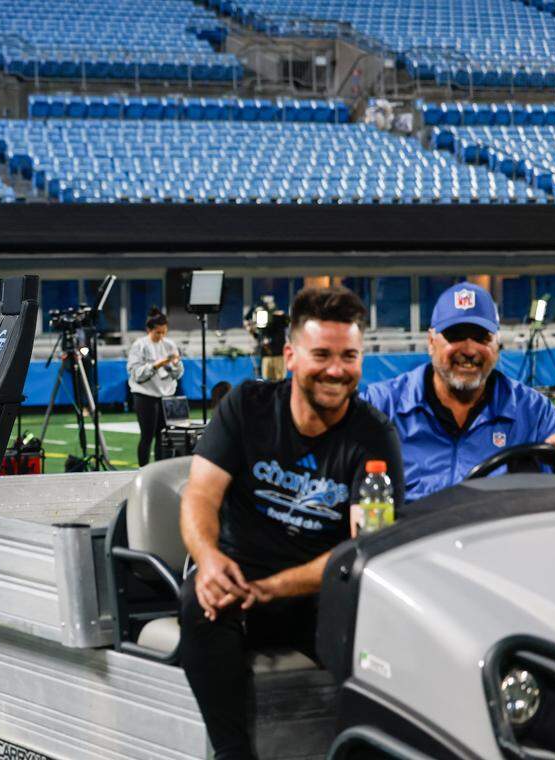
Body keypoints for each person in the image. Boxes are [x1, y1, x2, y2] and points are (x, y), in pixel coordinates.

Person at [177, 285, 404, 760]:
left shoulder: (373, 436)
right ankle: (231, 753)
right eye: (322, 354)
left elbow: (365, 548)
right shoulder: (247, 406)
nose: (337, 370)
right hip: (238, 581)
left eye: (349, 356)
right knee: (199, 603)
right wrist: (210, 559)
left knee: (385, 635)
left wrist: (274, 588)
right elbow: (200, 493)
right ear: (291, 356)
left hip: (320, 593)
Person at [363, 282, 555, 502]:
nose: (469, 350)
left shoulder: (534, 413)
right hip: (411, 534)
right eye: (455, 335)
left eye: (481, 337)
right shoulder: (381, 405)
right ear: (431, 342)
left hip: (496, 534)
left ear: (497, 345)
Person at [127, 307, 183, 466]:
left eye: (164, 332)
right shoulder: (139, 345)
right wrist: (156, 365)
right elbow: (136, 375)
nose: (161, 336)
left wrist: (175, 365)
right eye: (158, 332)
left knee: (164, 437)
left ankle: (160, 470)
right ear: (148, 330)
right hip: (145, 396)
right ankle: (143, 471)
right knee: (147, 436)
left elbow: (178, 374)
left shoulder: (170, 344)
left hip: (166, 396)